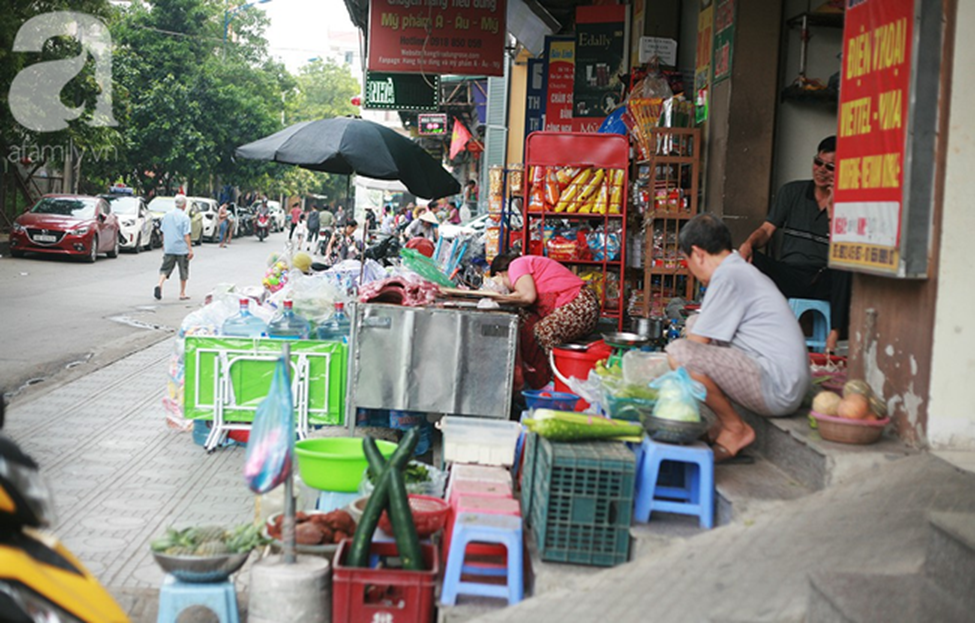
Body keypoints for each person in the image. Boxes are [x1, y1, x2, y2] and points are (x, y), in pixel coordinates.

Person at [667, 214, 811, 463]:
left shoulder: (728, 276)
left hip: (777, 387)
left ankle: (736, 428)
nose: (690, 270)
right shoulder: (737, 270)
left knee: (679, 354)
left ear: (698, 254)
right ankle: (723, 425)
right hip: (783, 381)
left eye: (687, 260)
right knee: (694, 324)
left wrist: (660, 384)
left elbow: (694, 347)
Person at [738, 135, 850, 352]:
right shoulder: (792, 192)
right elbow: (767, 230)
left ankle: (833, 337)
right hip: (790, 273)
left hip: (824, 277)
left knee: (844, 269)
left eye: (830, 167)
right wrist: (749, 244)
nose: (821, 170)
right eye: (818, 163)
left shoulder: (847, 201)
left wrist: (833, 210)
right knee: (745, 259)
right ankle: (748, 334)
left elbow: (844, 248)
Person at [490, 253, 601, 389]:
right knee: (524, 323)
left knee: (544, 330)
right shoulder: (524, 274)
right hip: (582, 308)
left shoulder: (516, 264)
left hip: (583, 304)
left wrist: (494, 297)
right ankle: (536, 382)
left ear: (499, 274)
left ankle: (558, 383)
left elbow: (527, 296)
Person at [154, 194, 194, 301]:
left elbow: (163, 231)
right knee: (183, 270)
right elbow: (186, 234)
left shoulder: (167, 215)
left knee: (165, 268)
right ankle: (182, 293)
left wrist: (164, 243)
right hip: (182, 248)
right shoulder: (185, 217)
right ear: (184, 205)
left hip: (169, 247)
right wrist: (190, 249)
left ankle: (159, 284)